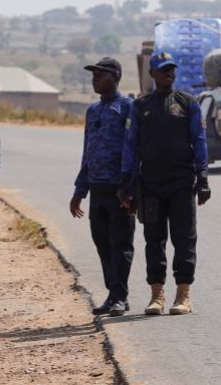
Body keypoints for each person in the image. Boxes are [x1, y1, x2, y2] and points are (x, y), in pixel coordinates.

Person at [120, 50, 211, 316]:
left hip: (182, 182)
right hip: (150, 185)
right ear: (152, 74)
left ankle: (183, 294)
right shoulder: (141, 106)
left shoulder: (187, 102)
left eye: (171, 69)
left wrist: (202, 176)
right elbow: (131, 146)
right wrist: (127, 182)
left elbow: (200, 140)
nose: (169, 73)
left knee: (184, 239)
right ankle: (157, 295)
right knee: (154, 239)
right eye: (163, 69)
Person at [70, 57, 135, 317]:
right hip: (97, 187)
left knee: (121, 242)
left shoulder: (129, 107)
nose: (94, 79)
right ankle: (113, 293)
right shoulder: (93, 111)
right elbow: (88, 152)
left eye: (100, 74)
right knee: (102, 243)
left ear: (115, 76)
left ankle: (120, 296)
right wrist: (79, 191)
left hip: (119, 189)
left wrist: (130, 188)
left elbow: (134, 150)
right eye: (93, 75)